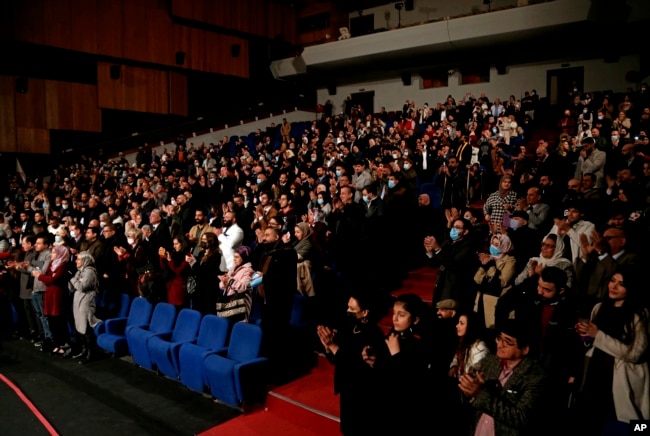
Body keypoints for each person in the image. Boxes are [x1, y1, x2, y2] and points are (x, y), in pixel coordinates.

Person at [574, 266, 649, 434]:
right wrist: (586, 337)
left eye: (621, 284)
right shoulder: (599, 308)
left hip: (620, 383)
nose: (614, 287)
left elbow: (636, 353)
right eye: (612, 281)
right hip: (595, 379)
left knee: (623, 427)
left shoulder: (638, 315)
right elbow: (594, 344)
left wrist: (598, 336)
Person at [459, 319, 548, 436]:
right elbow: (471, 402)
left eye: (508, 342)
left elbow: (520, 417)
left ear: (525, 349)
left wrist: (480, 394)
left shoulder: (535, 376)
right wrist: (469, 390)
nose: (500, 344)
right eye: (499, 338)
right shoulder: (490, 362)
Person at [317, 292, 385, 436]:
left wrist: (334, 347)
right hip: (347, 391)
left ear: (365, 312)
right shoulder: (348, 327)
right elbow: (337, 360)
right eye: (348, 307)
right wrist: (328, 348)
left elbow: (357, 365)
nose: (348, 311)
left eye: (352, 309)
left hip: (363, 394)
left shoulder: (374, 334)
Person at [363, 294, 429, 434]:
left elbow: (409, 383)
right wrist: (374, 361)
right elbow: (386, 373)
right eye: (394, 313)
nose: (394, 318)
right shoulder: (392, 335)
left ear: (415, 320)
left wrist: (396, 354)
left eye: (401, 314)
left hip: (403, 412)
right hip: (385, 406)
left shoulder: (420, 344)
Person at [33, 244, 70, 356]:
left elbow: (53, 279)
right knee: (51, 320)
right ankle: (56, 344)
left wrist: (39, 276)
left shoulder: (62, 265)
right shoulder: (52, 264)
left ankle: (63, 344)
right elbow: (47, 278)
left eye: (54, 253)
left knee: (58, 320)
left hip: (57, 296)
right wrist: (44, 277)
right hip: (49, 294)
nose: (51, 255)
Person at [473, 234, 516, 329]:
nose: (493, 246)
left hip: (494, 300)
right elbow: (477, 279)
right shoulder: (489, 258)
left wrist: (491, 265)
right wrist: (484, 265)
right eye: (492, 243)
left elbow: (502, 282)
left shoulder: (510, 260)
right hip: (481, 297)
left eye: (496, 244)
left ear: (504, 246)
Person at [68, 251, 101, 363]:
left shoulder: (90, 272)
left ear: (85, 260)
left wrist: (73, 279)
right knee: (79, 326)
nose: (76, 261)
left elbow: (82, 287)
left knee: (85, 327)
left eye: (78, 259)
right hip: (78, 301)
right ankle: (84, 350)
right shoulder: (79, 272)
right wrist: (73, 279)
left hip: (86, 301)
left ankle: (92, 353)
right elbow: (72, 287)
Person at [185, 232, 222, 315]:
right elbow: (197, 270)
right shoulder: (201, 253)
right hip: (199, 288)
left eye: (205, 240)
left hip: (209, 289)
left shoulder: (216, 256)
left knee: (208, 311)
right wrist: (191, 263)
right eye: (202, 239)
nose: (202, 241)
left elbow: (207, 272)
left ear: (211, 241)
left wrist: (194, 263)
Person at [217, 245, 254, 323]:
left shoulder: (249, 271)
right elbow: (223, 286)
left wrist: (230, 280)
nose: (234, 259)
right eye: (234, 257)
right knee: (225, 327)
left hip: (240, 305)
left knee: (236, 327)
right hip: (228, 302)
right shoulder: (233, 268)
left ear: (244, 257)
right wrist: (224, 282)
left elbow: (243, 287)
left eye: (237, 257)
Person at [160, 236, 191, 308]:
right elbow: (164, 268)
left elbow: (178, 271)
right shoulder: (173, 253)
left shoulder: (187, 255)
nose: (174, 246)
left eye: (176, 244)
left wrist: (170, 261)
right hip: (170, 285)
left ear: (182, 244)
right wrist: (162, 257)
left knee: (177, 308)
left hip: (179, 286)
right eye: (173, 244)